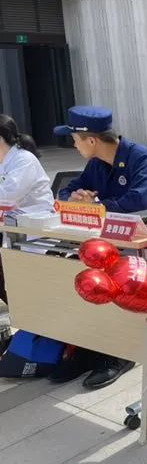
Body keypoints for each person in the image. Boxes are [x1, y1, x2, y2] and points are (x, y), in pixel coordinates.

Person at [50, 106, 147, 389]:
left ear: (91, 140)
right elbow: (66, 190)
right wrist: (74, 197)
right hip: (114, 241)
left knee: (112, 277)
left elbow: (141, 202)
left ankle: (120, 352)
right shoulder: (96, 164)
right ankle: (89, 345)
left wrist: (96, 205)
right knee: (70, 266)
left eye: (75, 139)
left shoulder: (141, 158)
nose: (74, 145)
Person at [0, 115, 54, 355]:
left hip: (36, 233)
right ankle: (28, 325)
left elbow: (7, 196)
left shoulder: (24, 160)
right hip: (13, 231)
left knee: (19, 281)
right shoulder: (5, 161)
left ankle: (38, 328)